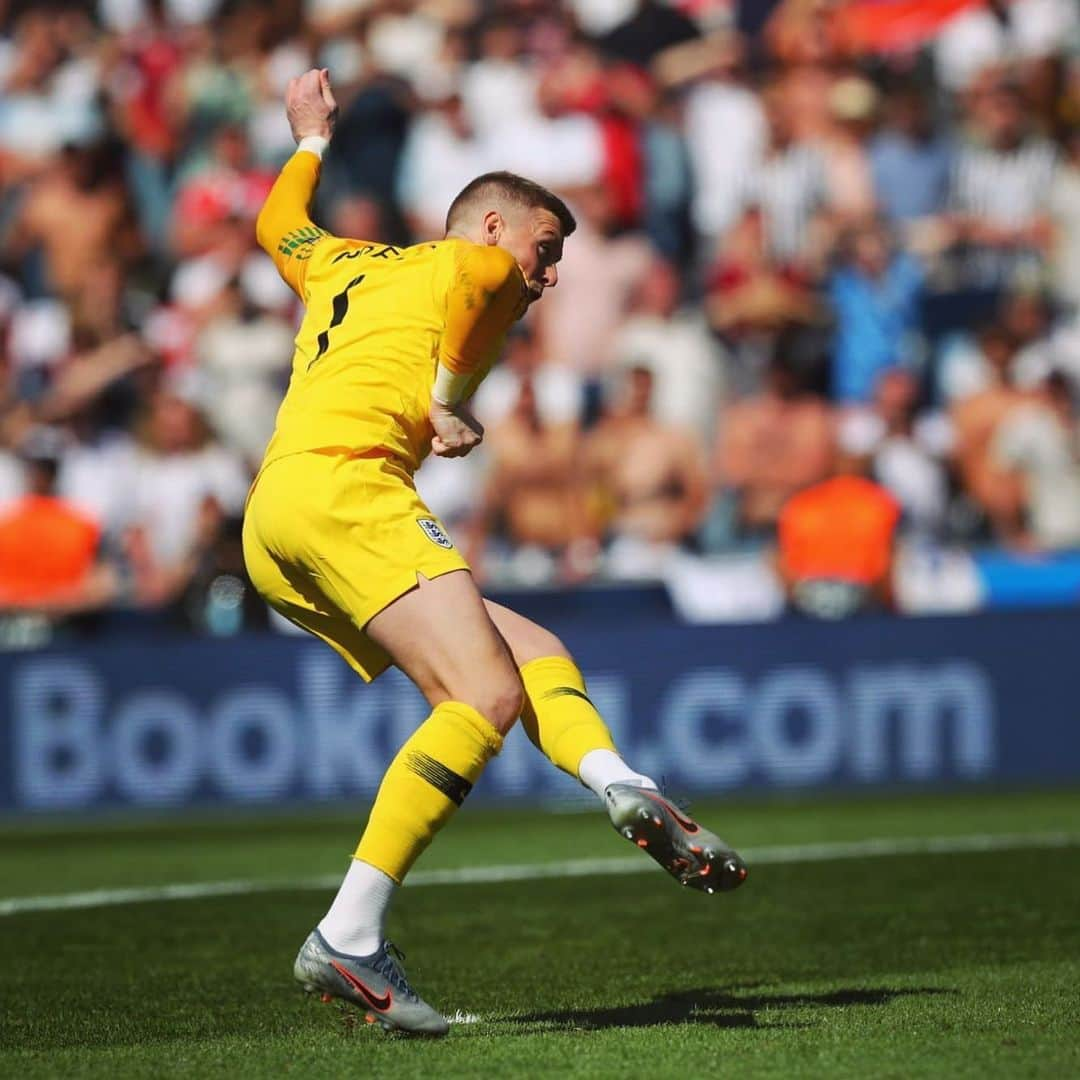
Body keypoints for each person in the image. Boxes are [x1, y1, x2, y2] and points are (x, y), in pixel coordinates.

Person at [243, 69, 747, 1038]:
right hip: (352, 491)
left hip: (276, 515)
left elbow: (276, 225)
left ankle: (617, 780)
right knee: (482, 699)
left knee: (531, 651)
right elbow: (479, 284)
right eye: (544, 250)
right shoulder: (464, 268)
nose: (546, 273)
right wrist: (445, 394)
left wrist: (308, 140)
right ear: (488, 229)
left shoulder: (342, 262)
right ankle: (348, 934)